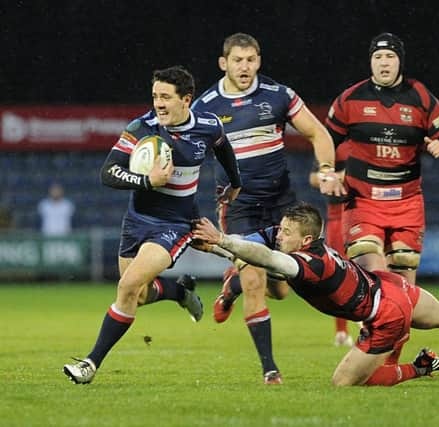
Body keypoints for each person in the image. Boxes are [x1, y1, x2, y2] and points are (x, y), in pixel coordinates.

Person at [192, 202, 439, 387]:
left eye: (285, 232)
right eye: (280, 230)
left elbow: (266, 258)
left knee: (345, 382)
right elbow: (260, 248)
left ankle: (419, 368)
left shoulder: (309, 264)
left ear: (305, 241)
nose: (278, 235)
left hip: (384, 314)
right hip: (389, 286)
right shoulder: (310, 248)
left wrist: (221, 242)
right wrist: (218, 246)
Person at [63, 65, 242, 385]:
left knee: (127, 287)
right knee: (139, 295)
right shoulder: (141, 128)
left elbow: (222, 147)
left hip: (175, 223)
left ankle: (90, 363)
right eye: (155, 96)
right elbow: (108, 173)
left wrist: (235, 182)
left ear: (186, 99)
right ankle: (178, 290)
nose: (158, 103)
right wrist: (148, 180)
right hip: (136, 221)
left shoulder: (207, 124)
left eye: (165, 97)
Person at [191, 33, 344, 384]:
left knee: (282, 287)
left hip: (281, 206)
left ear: (259, 61)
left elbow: (319, 134)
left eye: (251, 60)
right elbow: (190, 154)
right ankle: (270, 369)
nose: (244, 67)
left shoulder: (279, 96)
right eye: (238, 60)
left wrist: (325, 170)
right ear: (223, 63)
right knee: (255, 278)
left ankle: (231, 288)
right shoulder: (205, 106)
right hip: (240, 208)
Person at [325, 32, 439, 284]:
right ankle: (370, 320)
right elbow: (324, 139)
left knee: (404, 292)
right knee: (377, 277)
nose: (384, 62)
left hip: (407, 204)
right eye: (378, 57)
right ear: (370, 62)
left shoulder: (420, 96)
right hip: (363, 202)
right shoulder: (350, 98)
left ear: (400, 61)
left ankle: (380, 323)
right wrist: (326, 170)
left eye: (390, 56)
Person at [309, 142, 353, 347]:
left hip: (367, 210)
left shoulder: (366, 140)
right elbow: (312, 177)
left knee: (370, 269)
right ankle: (341, 331)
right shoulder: (331, 145)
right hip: (336, 215)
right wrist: (332, 176)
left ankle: (372, 325)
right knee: (340, 273)